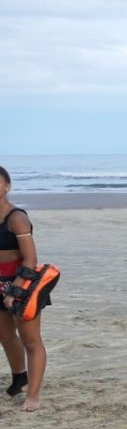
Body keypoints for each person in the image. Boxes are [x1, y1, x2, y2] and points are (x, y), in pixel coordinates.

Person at [0, 166, 48, 411]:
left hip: (22, 284)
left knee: (31, 340)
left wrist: (13, 292)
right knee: (6, 336)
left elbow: (30, 260)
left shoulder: (16, 218)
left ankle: (33, 395)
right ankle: (20, 378)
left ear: (7, 185)